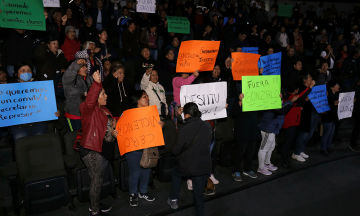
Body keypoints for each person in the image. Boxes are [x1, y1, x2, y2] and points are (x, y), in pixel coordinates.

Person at [79, 71, 114, 216]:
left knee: (98, 179)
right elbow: (90, 100)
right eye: (103, 94)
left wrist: (114, 132)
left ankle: (95, 203)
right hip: (91, 149)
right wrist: (96, 83)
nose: (106, 96)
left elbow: (108, 127)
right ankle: (94, 210)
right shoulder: (87, 109)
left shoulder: (104, 109)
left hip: (103, 148)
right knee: (97, 180)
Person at [168, 102, 212, 216]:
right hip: (203, 165)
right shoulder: (207, 126)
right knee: (198, 195)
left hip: (186, 165)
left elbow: (175, 150)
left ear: (186, 115)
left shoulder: (185, 129)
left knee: (177, 175)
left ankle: (173, 199)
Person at [122, 90, 164, 206]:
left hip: (148, 148)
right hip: (133, 149)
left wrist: (162, 124)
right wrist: (116, 132)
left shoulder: (151, 113)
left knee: (146, 171)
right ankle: (133, 194)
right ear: (137, 100)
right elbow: (120, 128)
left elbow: (157, 125)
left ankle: (143, 191)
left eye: (147, 96)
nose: (147, 98)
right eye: (144, 97)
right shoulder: (127, 114)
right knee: (135, 173)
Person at [9, 62, 60, 142]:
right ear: (16, 74)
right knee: (22, 150)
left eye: (29, 70)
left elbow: (47, 104)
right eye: (22, 70)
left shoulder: (41, 87)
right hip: (19, 127)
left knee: (39, 148)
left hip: (38, 125)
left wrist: (53, 111)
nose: (26, 72)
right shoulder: (9, 89)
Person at [258, 94, 298, 175]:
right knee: (264, 148)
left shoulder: (276, 101)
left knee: (271, 147)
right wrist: (291, 101)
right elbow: (280, 110)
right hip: (268, 128)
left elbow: (281, 107)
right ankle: (261, 167)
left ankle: (267, 164)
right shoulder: (269, 103)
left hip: (273, 128)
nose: (280, 94)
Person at [281, 81, 314, 168]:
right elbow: (300, 97)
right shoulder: (292, 97)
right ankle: (284, 162)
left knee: (288, 143)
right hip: (290, 123)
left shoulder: (287, 96)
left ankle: (285, 160)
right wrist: (309, 88)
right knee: (287, 143)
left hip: (290, 123)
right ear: (296, 90)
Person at [231, 93, 261, 181]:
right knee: (239, 152)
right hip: (242, 130)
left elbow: (260, 111)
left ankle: (247, 169)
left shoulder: (256, 98)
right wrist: (240, 101)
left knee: (250, 151)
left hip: (253, 128)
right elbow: (233, 113)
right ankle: (236, 171)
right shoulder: (238, 100)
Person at [63, 59, 92, 132]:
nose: (85, 68)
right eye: (82, 66)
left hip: (87, 116)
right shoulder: (70, 80)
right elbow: (69, 73)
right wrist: (76, 64)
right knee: (76, 140)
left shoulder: (88, 78)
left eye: (86, 66)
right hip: (74, 116)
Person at [320, 80, 340, 156]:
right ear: (331, 88)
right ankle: (323, 149)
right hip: (327, 118)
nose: (338, 86)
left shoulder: (337, 94)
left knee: (331, 133)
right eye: (336, 85)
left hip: (333, 117)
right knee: (326, 134)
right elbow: (324, 107)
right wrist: (333, 104)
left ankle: (328, 147)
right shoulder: (327, 95)